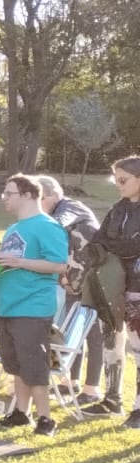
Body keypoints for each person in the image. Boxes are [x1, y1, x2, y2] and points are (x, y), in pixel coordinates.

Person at [0, 175, 68, 436]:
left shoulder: (47, 226)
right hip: (7, 305)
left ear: (27, 195)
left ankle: (45, 418)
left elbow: (59, 265)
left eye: (9, 192)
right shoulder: (13, 229)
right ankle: (20, 412)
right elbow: (9, 263)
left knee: (34, 364)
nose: (4, 198)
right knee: (16, 364)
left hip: (32, 307)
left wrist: (20, 263)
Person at [39, 176, 110, 413]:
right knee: (71, 330)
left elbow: (56, 226)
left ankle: (91, 389)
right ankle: (70, 381)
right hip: (73, 279)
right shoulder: (56, 210)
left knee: (93, 334)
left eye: (38, 200)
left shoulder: (70, 207)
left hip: (94, 278)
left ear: (49, 197)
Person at [80, 157, 140, 427]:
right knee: (111, 342)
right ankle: (112, 398)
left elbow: (131, 247)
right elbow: (100, 239)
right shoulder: (118, 209)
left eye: (123, 180)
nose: (118, 184)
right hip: (113, 285)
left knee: (138, 347)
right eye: (115, 179)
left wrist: (113, 247)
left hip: (136, 288)